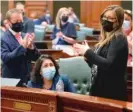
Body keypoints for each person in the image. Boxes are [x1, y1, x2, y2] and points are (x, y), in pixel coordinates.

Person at [74, 5, 128, 101]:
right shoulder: (104, 40)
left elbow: (109, 64)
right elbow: (98, 67)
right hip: (99, 90)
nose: (106, 20)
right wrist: (87, 58)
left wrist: (88, 52)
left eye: (110, 18)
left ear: (118, 22)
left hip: (112, 93)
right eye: (105, 17)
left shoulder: (119, 38)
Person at [1, 9, 40, 86]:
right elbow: (5, 58)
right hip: (11, 80)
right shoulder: (4, 38)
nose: (19, 23)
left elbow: (36, 57)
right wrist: (22, 47)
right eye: (16, 21)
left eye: (21, 21)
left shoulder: (24, 35)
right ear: (9, 22)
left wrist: (31, 48)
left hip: (26, 78)